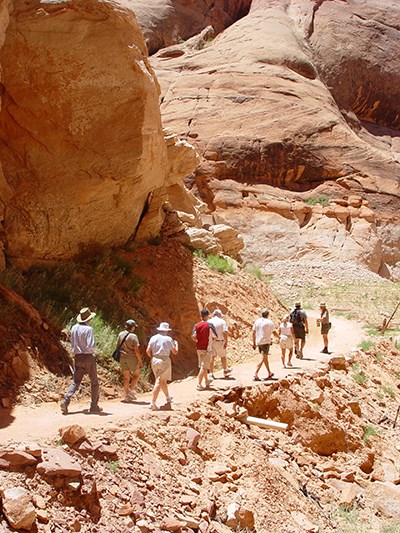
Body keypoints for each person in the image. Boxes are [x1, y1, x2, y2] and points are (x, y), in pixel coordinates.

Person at [60, 307, 102, 414]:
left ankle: (66, 400)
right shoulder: (89, 330)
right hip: (88, 357)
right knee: (94, 382)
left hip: (77, 357)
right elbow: (91, 346)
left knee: (76, 381)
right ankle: (94, 406)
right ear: (88, 319)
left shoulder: (74, 328)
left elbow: (72, 342)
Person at [146, 322, 178, 411]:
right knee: (159, 381)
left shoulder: (153, 338)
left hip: (155, 359)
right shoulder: (168, 339)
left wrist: (153, 357)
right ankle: (153, 402)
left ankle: (168, 397)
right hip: (164, 360)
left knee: (161, 380)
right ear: (167, 331)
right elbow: (175, 352)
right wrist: (176, 344)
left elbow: (148, 350)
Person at [116, 319, 142, 402]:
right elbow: (136, 350)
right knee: (136, 375)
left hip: (123, 358)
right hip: (132, 358)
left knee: (126, 377)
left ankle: (127, 395)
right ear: (132, 327)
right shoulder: (133, 336)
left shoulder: (120, 334)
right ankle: (131, 392)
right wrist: (140, 360)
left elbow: (117, 347)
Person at [192, 308, 216, 390]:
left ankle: (206, 381)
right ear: (207, 316)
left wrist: (197, 340)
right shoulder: (209, 325)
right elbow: (214, 336)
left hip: (199, 348)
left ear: (201, 316)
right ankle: (199, 384)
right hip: (207, 348)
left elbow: (193, 336)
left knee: (203, 365)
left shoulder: (196, 325)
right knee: (204, 366)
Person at [252, 308, 275, 380]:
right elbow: (274, 332)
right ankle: (255, 373)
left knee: (265, 358)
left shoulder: (257, 321)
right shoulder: (269, 322)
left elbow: (253, 332)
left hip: (259, 342)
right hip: (265, 342)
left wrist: (254, 343)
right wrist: (279, 337)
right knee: (262, 357)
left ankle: (269, 372)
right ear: (268, 315)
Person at [208, 309, 232, 379]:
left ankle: (211, 374)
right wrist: (226, 341)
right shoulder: (222, 321)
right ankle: (225, 371)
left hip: (211, 341)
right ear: (219, 314)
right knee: (223, 356)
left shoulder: (209, 321)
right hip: (219, 341)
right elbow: (225, 332)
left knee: (211, 357)